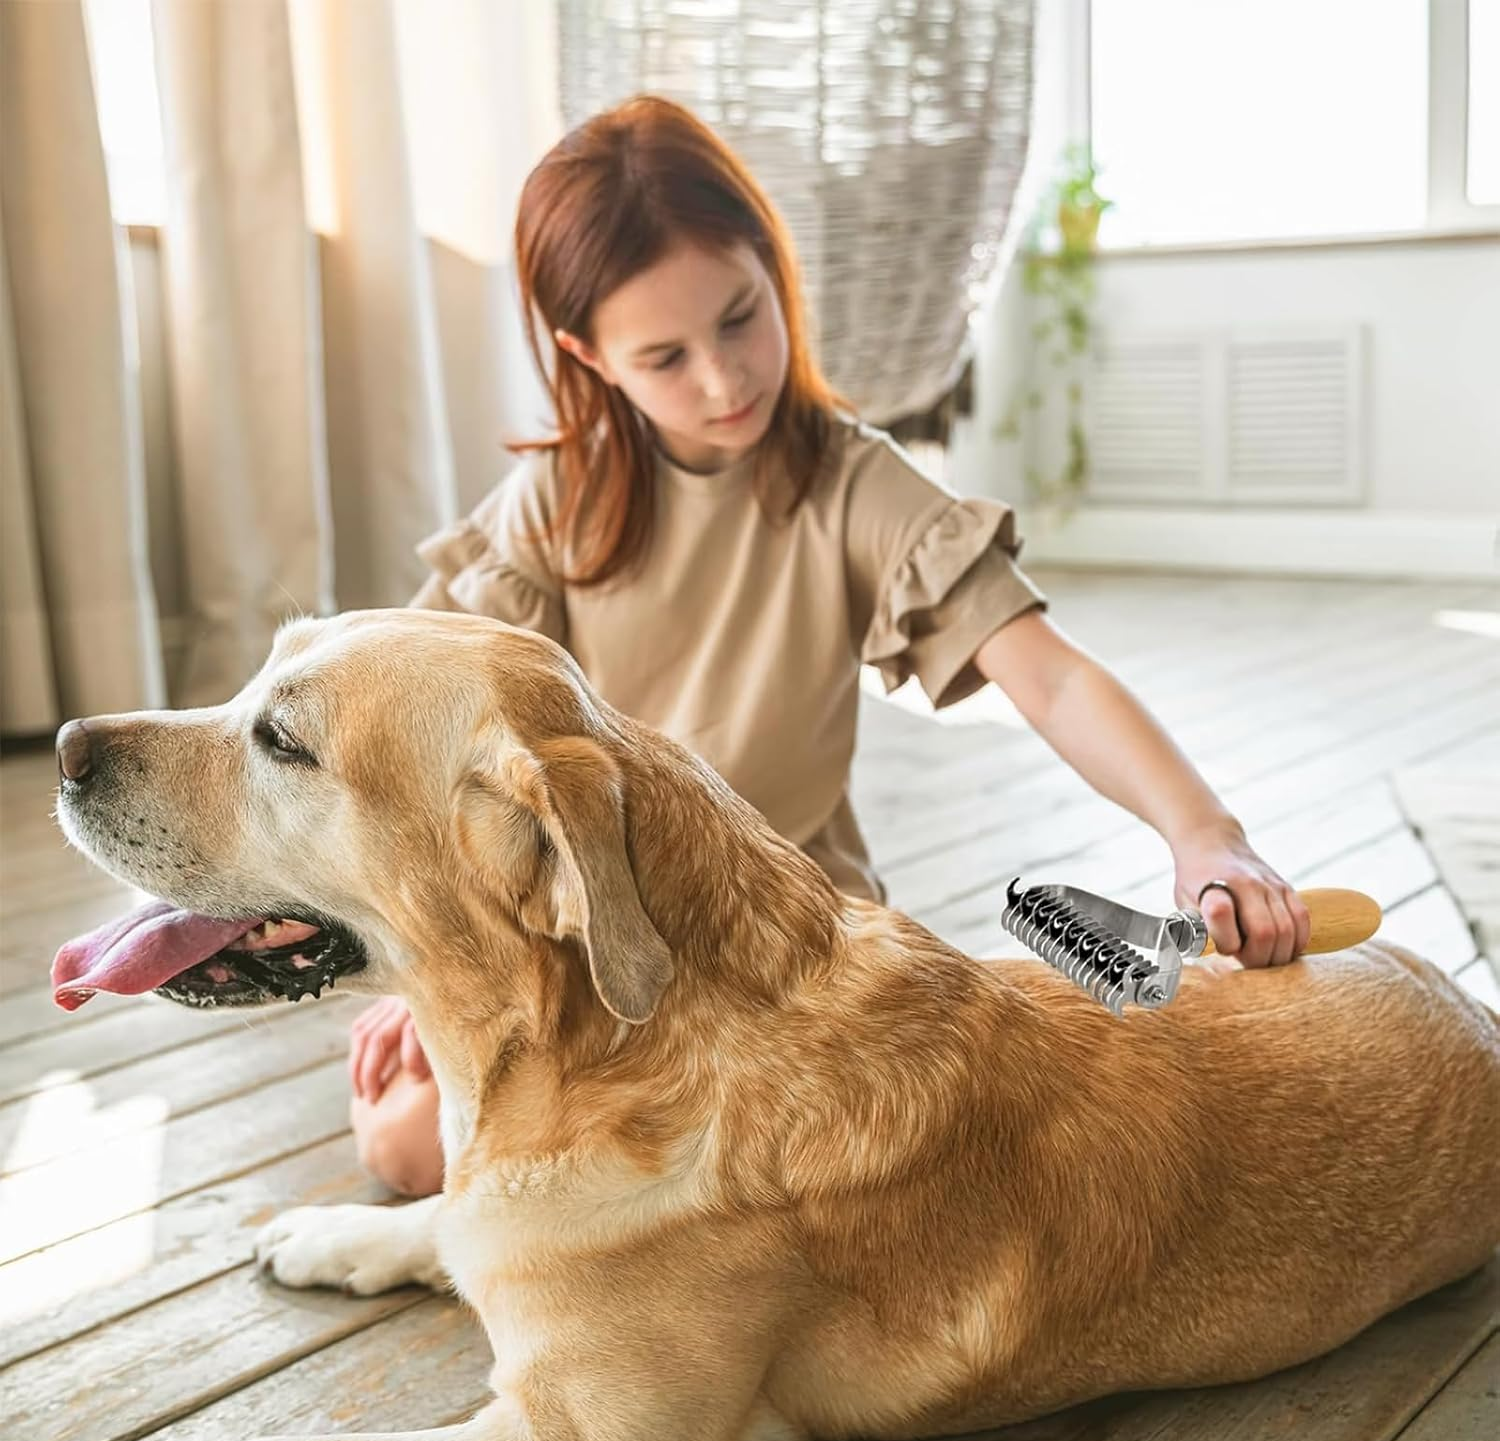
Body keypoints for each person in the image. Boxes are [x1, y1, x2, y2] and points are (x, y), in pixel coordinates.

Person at [348, 95, 1310, 1199]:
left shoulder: (853, 484)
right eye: (664, 356)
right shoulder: (546, 512)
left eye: (741, 318)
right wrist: (433, 970)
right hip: (596, 954)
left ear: (773, 266)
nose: (723, 380)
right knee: (405, 1145)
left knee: (834, 1160)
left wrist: (1205, 833)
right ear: (590, 356)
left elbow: (1046, 675)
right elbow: (426, 756)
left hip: (791, 948)